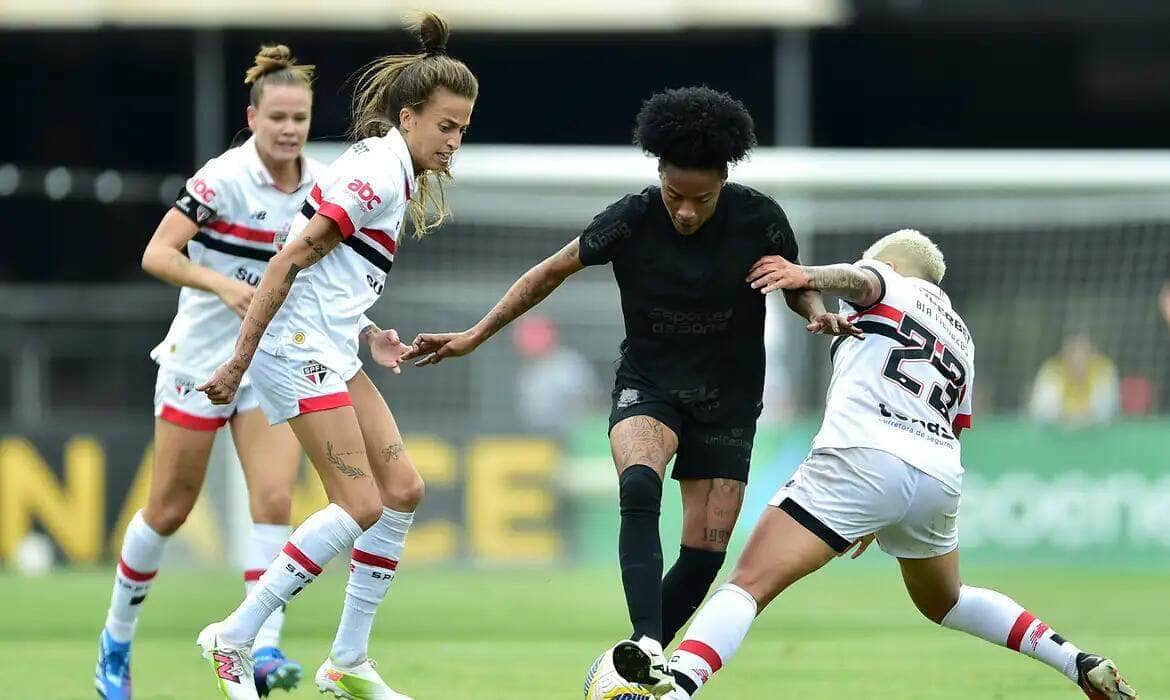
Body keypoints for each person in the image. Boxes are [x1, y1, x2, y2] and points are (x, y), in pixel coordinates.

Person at [402, 86, 857, 695]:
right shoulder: (632, 217)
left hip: (728, 396)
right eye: (675, 195)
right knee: (639, 482)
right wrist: (475, 335)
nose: (688, 211)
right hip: (649, 383)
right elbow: (548, 272)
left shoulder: (760, 218)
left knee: (704, 554)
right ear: (659, 175)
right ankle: (644, 643)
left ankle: (624, 671)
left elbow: (790, 278)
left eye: (703, 198)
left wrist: (813, 309)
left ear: (725, 180)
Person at [662, 230, 1138, 700]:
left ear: (888, 264)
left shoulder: (890, 283)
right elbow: (956, 424)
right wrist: (885, 505)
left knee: (747, 584)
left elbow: (858, 280)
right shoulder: (961, 337)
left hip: (863, 455)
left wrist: (805, 273)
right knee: (946, 600)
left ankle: (672, 689)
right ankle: (1076, 660)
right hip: (936, 473)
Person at [195, 12, 477, 700]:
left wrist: (367, 328)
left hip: (329, 346)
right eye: (446, 125)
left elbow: (328, 276)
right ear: (410, 116)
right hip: (294, 352)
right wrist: (239, 360)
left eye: (463, 128)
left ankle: (346, 660)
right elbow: (290, 256)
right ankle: (235, 636)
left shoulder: (392, 167)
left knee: (402, 492)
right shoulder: (378, 174)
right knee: (358, 503)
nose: (455, 141)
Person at [95, 44, 321, 700]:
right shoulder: (220, 180)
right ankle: (116, 640)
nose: (289, 129)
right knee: (169, 509)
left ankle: (262, 644)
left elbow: (322, 279)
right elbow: (157, 253)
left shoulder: (319, 188)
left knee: (276, 498)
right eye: (277, 116)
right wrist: (218, 283)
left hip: (268, 362)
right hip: (200, 361)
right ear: (252, 117)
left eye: (300, 118)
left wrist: (363, 331)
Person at [512, 314, 600, 436]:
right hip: (539, 438)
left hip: (572, 435)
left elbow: (588, 403)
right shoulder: (527, 372)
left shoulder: (568, 365)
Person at [1028, 332, 1119, 426]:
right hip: (1058, 431)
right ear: (1063, 354)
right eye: (1072, 351)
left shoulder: (1103, 370)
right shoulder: (1052, 371)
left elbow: (1105, 412)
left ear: (1093, 354)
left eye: (1083, 352)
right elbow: (1042, 412)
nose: (1076, 358)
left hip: (1094, 432)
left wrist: (1079, 420)